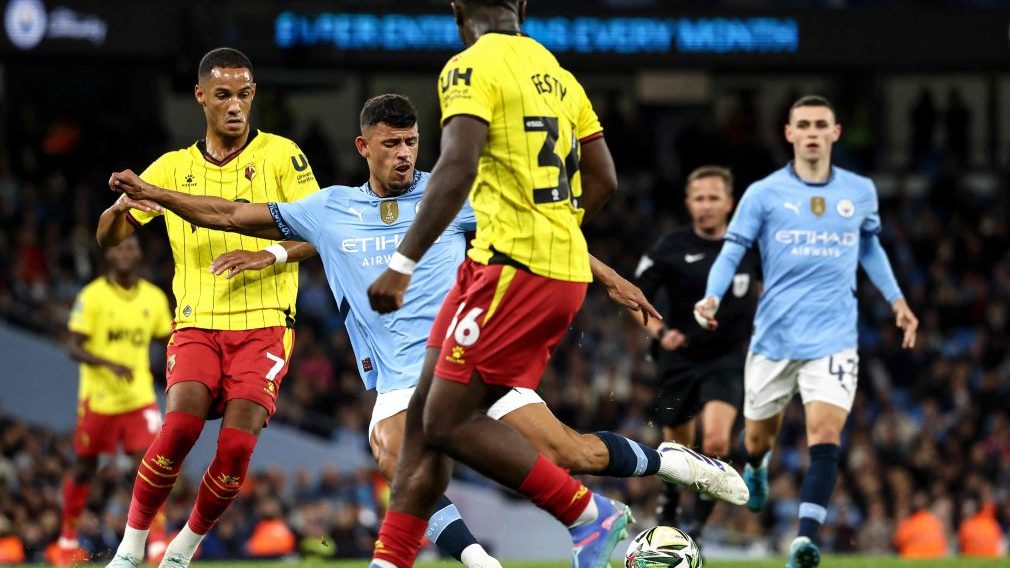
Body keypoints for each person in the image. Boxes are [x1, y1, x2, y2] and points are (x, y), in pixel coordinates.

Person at [109, 93, 746, 568]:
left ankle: (670, 461)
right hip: (396, 378)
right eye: (391, 144)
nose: (405, 154)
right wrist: (158, 194)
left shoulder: (449, 199)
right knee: (396, 456)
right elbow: (229, 212)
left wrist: (610, 279)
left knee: (570, 455)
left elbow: (539, 234)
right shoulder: (330, 209)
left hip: (472, 356)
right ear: (364, 147)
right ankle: (481, 560)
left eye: (412, 142)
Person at [366, 1, 745, 566]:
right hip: (532, 269)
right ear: (521, 6)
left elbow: (458, 165)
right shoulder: (557, 73)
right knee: (422, 427)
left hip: (510, 272)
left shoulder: (468, 67)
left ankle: (588, 516)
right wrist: (558, 231)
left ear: (457, 10)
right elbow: (604, 177)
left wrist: (403, 261)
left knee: (444, 423)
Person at [97, 47, 320, 568]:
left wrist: (266, 254)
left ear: (253, 95)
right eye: (223, 95)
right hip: (197, 324)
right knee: (178, 430)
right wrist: (119, 208)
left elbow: (321, 231)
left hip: (265, 326)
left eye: (244, 94)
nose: (235, 105)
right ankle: (130, 550)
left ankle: (182, 549)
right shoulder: (172, 168)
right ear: (201, 96)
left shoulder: (282, 156)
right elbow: (109, 237)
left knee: (236, 449)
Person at [694, 95, 919, 568]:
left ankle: (804, 541)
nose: (813, 133)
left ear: (835, 133)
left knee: (825, 433)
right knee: (756, 441)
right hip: (774, 338)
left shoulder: (859, 191)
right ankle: (757, 468)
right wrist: (712, 296)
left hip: (834, 339)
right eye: (804, 125)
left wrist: (897, 301)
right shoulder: (763, 193)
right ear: (789, 133)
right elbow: (732, 251)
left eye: (821, 125)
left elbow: (870, 249)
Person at [633, 165, 760, 538]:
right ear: (688, 203)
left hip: (726, 358)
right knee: (678, 448)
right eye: (699, 198)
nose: (706, 205)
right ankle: (670, 501)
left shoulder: (748, 246)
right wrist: (660, 334)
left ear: (729, 203)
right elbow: (634, 295)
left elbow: (769, 289)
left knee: (717, 441)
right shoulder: (671, 246)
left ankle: (698, 527)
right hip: (680, 358)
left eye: (713, 198)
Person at [58, 236, 173, 566]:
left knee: (153, 465)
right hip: (99, 399)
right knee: (85, 468)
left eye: (131, 247)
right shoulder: (92, 296)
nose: (125, 253)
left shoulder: (153, 297)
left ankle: (156, 544)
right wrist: (108, 363)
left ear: (139, 254)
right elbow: (73, 345)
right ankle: (67, 540)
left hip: (139, 397)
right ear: (108, 255)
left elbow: (168, 339)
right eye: (119, 248)